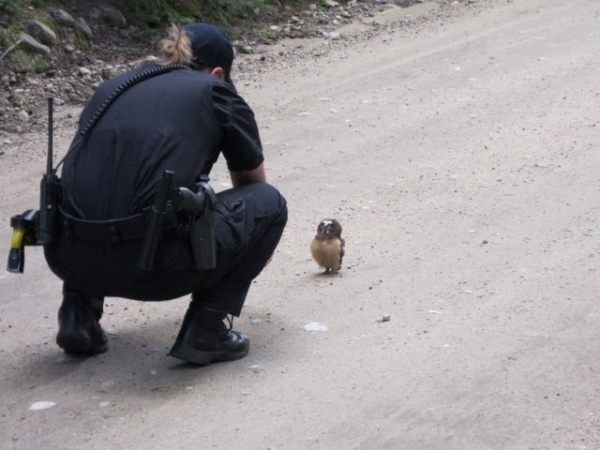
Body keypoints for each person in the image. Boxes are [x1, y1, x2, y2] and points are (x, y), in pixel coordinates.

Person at [43, 23, 288, 366]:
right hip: (154, 269)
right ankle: (206, 330)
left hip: (68, 259)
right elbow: (252, 184)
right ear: (218, 72)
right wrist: (253, 243)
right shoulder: (216, 91)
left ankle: (77, 317)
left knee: (104, 190)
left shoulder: (111, 89)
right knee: (269, 204)